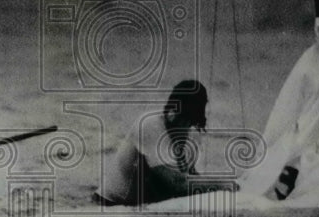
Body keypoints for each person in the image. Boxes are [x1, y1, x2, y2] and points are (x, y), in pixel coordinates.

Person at [93, 79, 233, 206]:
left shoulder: (193, 135)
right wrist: (222, 184)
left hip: (145, 207)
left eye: (183, 117)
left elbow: (190, 178)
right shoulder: (148, 125)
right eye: (172, 111)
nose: (172, 117)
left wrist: (229, 183)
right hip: (109, 204)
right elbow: (175, 184)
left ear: (193, 119)